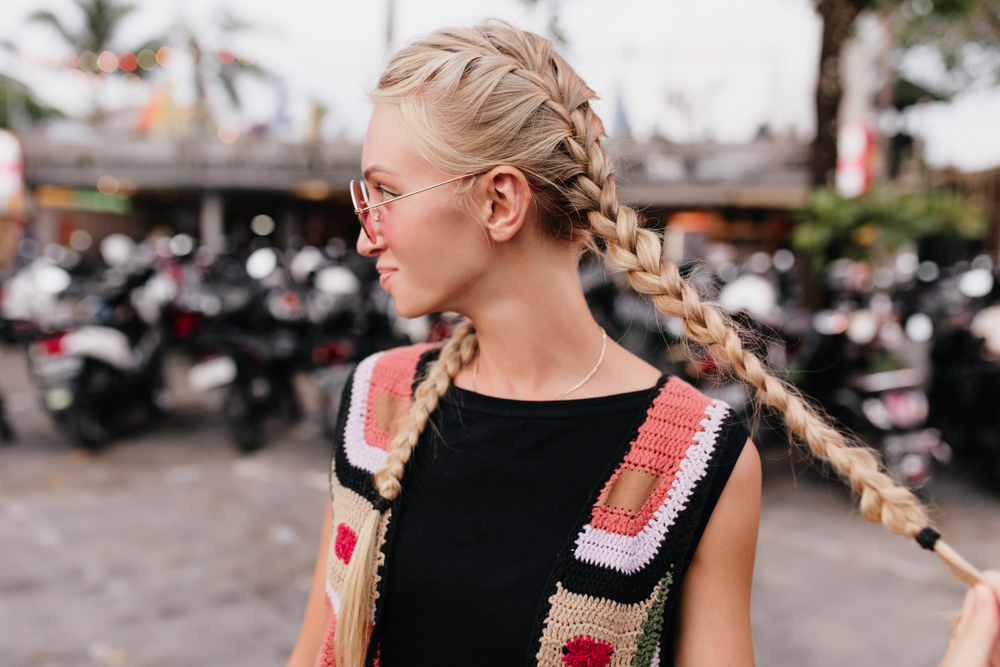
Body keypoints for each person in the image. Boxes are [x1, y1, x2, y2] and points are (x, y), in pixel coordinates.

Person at [286, 21, 981, 667]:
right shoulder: (375, 403)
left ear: (500, 201)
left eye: (384, 193)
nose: (364, 232)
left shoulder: (698, 460)